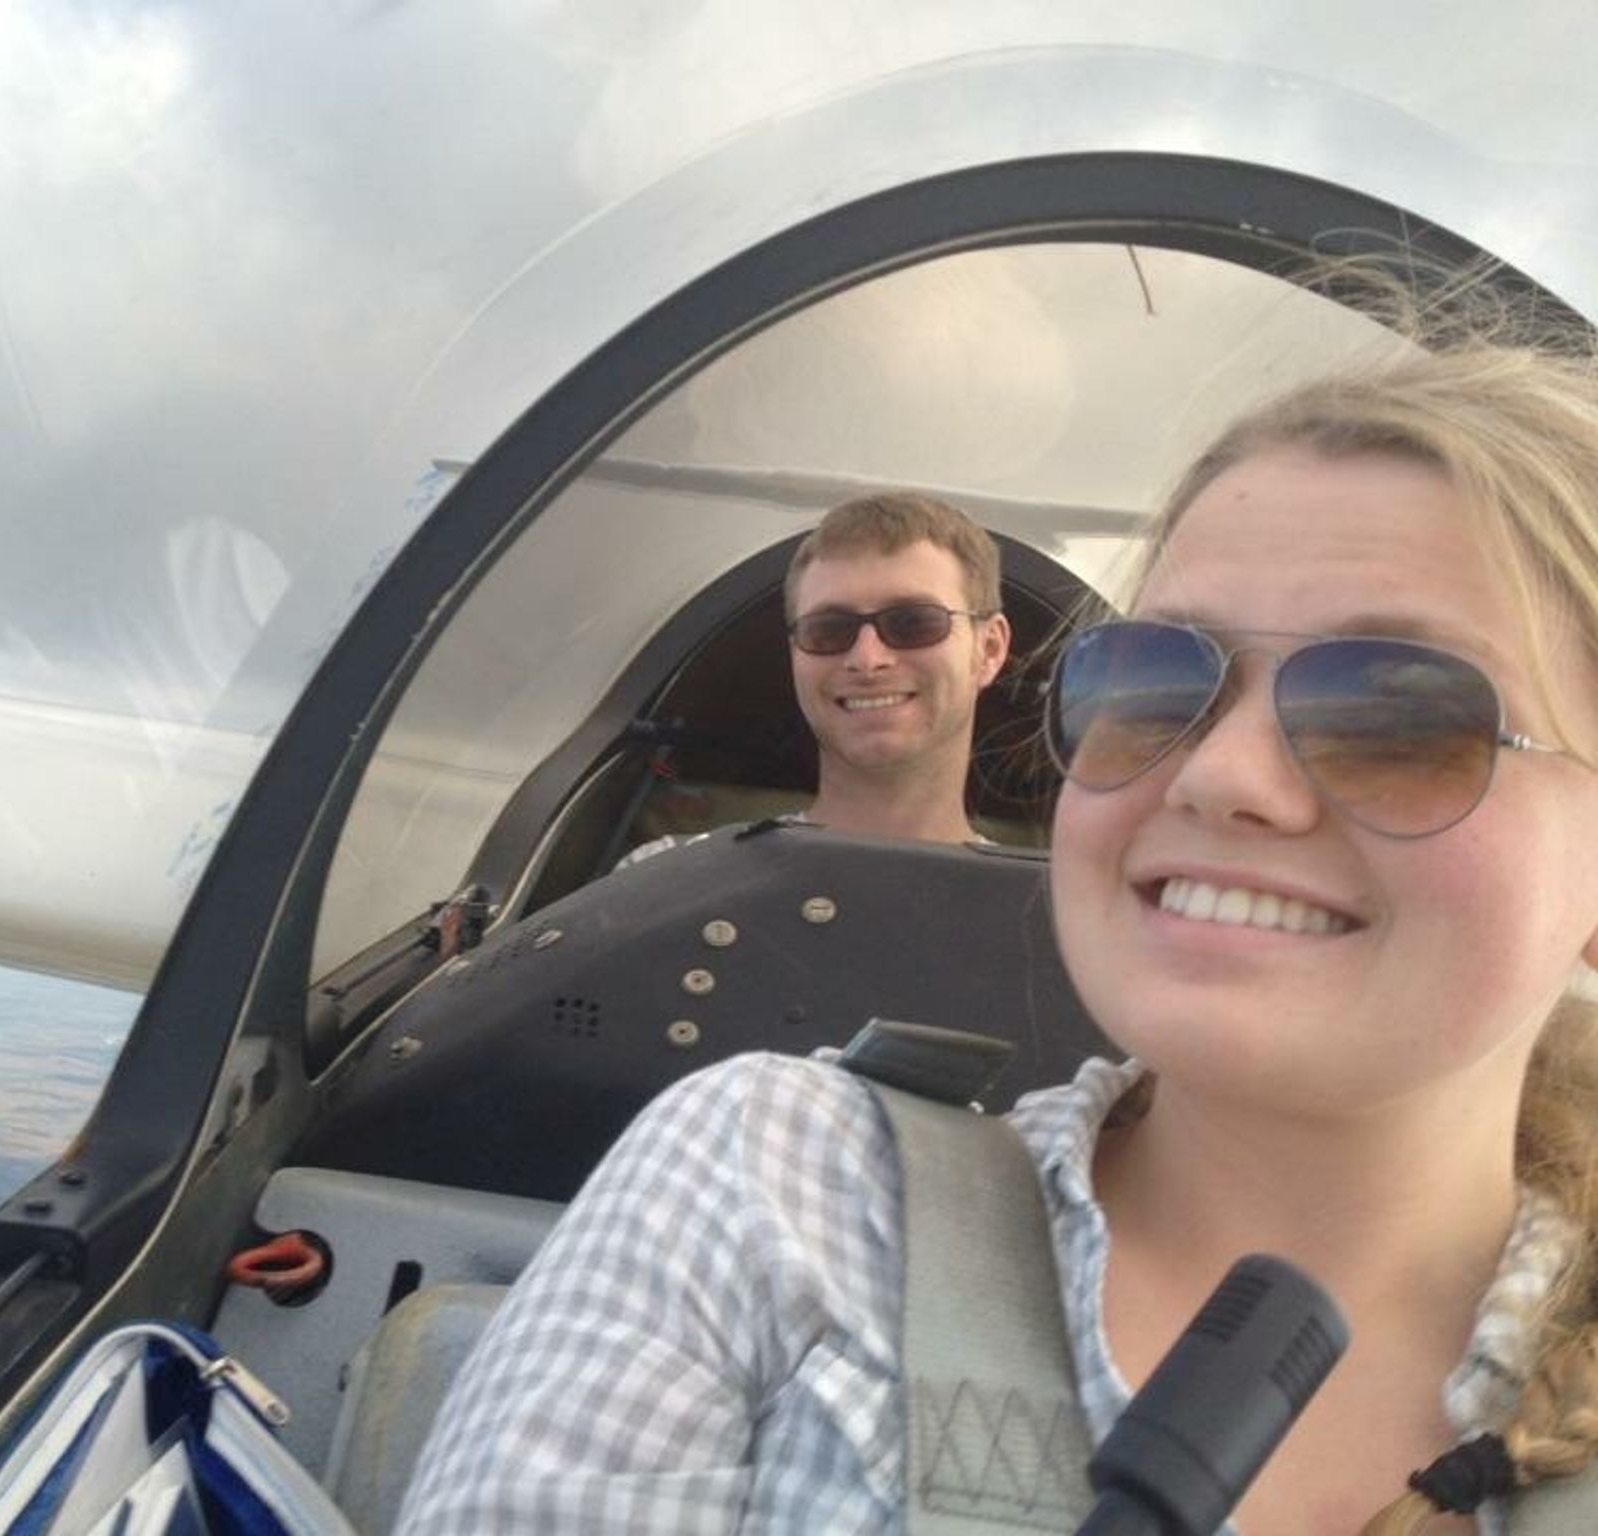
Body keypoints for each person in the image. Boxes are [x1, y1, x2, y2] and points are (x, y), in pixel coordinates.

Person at [394, 310, 1598, 1535]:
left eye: (1397, 714)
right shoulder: (771, 1189)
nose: (1217, 774)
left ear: (988, 651)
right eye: (1153, 683)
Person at [619, 491, 1012, 865]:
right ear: (795, 653)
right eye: (829, 629)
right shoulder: (667, 882)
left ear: (990, 649)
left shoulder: (1039, 903)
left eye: (913, 622)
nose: (867, 659)